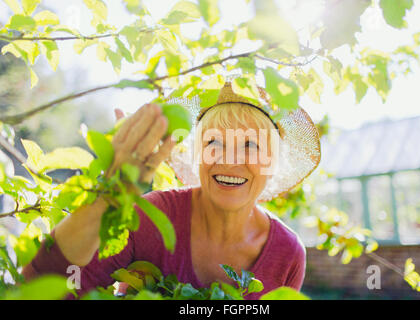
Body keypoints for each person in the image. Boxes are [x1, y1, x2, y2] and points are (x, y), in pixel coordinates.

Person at [23, 81, 321, 299]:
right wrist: (108, 197)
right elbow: (47, 287)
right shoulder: (150, 219)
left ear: (272, 162)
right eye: (214, 143)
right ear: (197, 154)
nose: (230, 160)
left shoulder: (287, 254)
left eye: (251, 146)